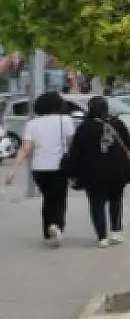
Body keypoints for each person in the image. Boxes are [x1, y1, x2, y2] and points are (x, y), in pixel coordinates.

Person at [65, 96, 130, 248]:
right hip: (116, 171)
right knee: (116, 200)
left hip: (92, 174)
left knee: (96, 204)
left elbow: (76, 153)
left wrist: (72, 173)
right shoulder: (117, 124)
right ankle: (116, 231)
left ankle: (102, 237)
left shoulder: (84, 128)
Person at [7, 92, 77, 246]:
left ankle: (48, 231)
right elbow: (72, 143)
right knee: (59, 198)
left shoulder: (32, 124)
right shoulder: (65, 120)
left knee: (48, 198)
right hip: (59, 166)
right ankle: (56, 226)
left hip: (39, 169)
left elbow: (25, 148)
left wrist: (13, 169)